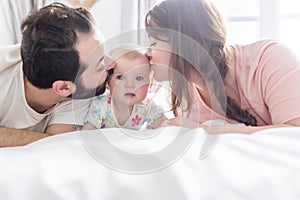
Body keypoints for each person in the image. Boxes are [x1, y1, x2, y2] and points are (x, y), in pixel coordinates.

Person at [145, 0, 300, 133]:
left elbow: (294, 133)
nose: (147, 52)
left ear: (183, 43)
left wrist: (203, 131)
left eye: (153, 43)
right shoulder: (183, 98)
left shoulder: (270, 61)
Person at [0, 3, 115, 147]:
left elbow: (57, 145)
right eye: (100, 65)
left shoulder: (79, 88)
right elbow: (54, 142)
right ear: (63, 88)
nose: (112, 62)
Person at [83, 44, 166, 130]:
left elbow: (166, 126)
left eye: (139, 78)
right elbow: (88, 133)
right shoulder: (101, 105)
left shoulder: (147, 106)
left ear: (150, 84)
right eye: (120, 77)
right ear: (107, 83)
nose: (130, 85)